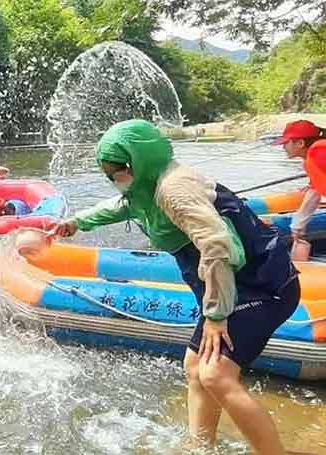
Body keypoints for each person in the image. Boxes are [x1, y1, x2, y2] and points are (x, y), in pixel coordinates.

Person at [56, 119, 298, 454]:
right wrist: (77, 222)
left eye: (119, 171)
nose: (115, 180)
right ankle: (201, 447)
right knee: (195, 367)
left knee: (215, 374)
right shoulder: (147, 186)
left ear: (139, 160)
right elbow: (123, 206)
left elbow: (216, 246)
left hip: (261, 284)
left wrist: (216, 316)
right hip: (232, 285)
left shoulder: (174, 189)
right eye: (108, 174)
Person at [277, 120, 326, 253]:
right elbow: (314, 193)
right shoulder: (310, 161)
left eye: (286, 143)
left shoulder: (319, 152)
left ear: (300, 143)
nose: (283, 147)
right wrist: (298, 224)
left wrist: (298, 224)